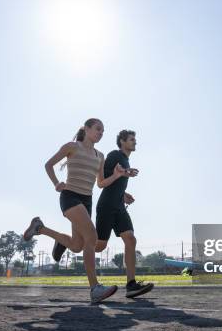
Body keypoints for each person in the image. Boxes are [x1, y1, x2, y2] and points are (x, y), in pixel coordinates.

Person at [23, 118, 128, 303]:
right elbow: (48, 164)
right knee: (91, 237)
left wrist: (116, 175)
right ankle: (95, 288)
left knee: (77, 246)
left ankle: (40, 228)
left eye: (103, 131)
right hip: (70, 196)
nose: (101, 133)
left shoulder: (100, 156)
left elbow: (101, 183)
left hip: (86, 201)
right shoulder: (72, 147)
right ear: (86, 129)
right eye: (97, 129)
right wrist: (56, 183)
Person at [50, 129, 153, 298]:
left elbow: (115, 181)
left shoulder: (125, 159)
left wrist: (123, 194)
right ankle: (65, 243)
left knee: (130, 239)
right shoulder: (114, 155)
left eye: (135, 139)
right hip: (106, 206)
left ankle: (131, 285)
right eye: (131, 139)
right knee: (97, 245)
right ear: (122, 141)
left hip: (118, 206)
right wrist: (126, 173)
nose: (135, 142)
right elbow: (104, 179)